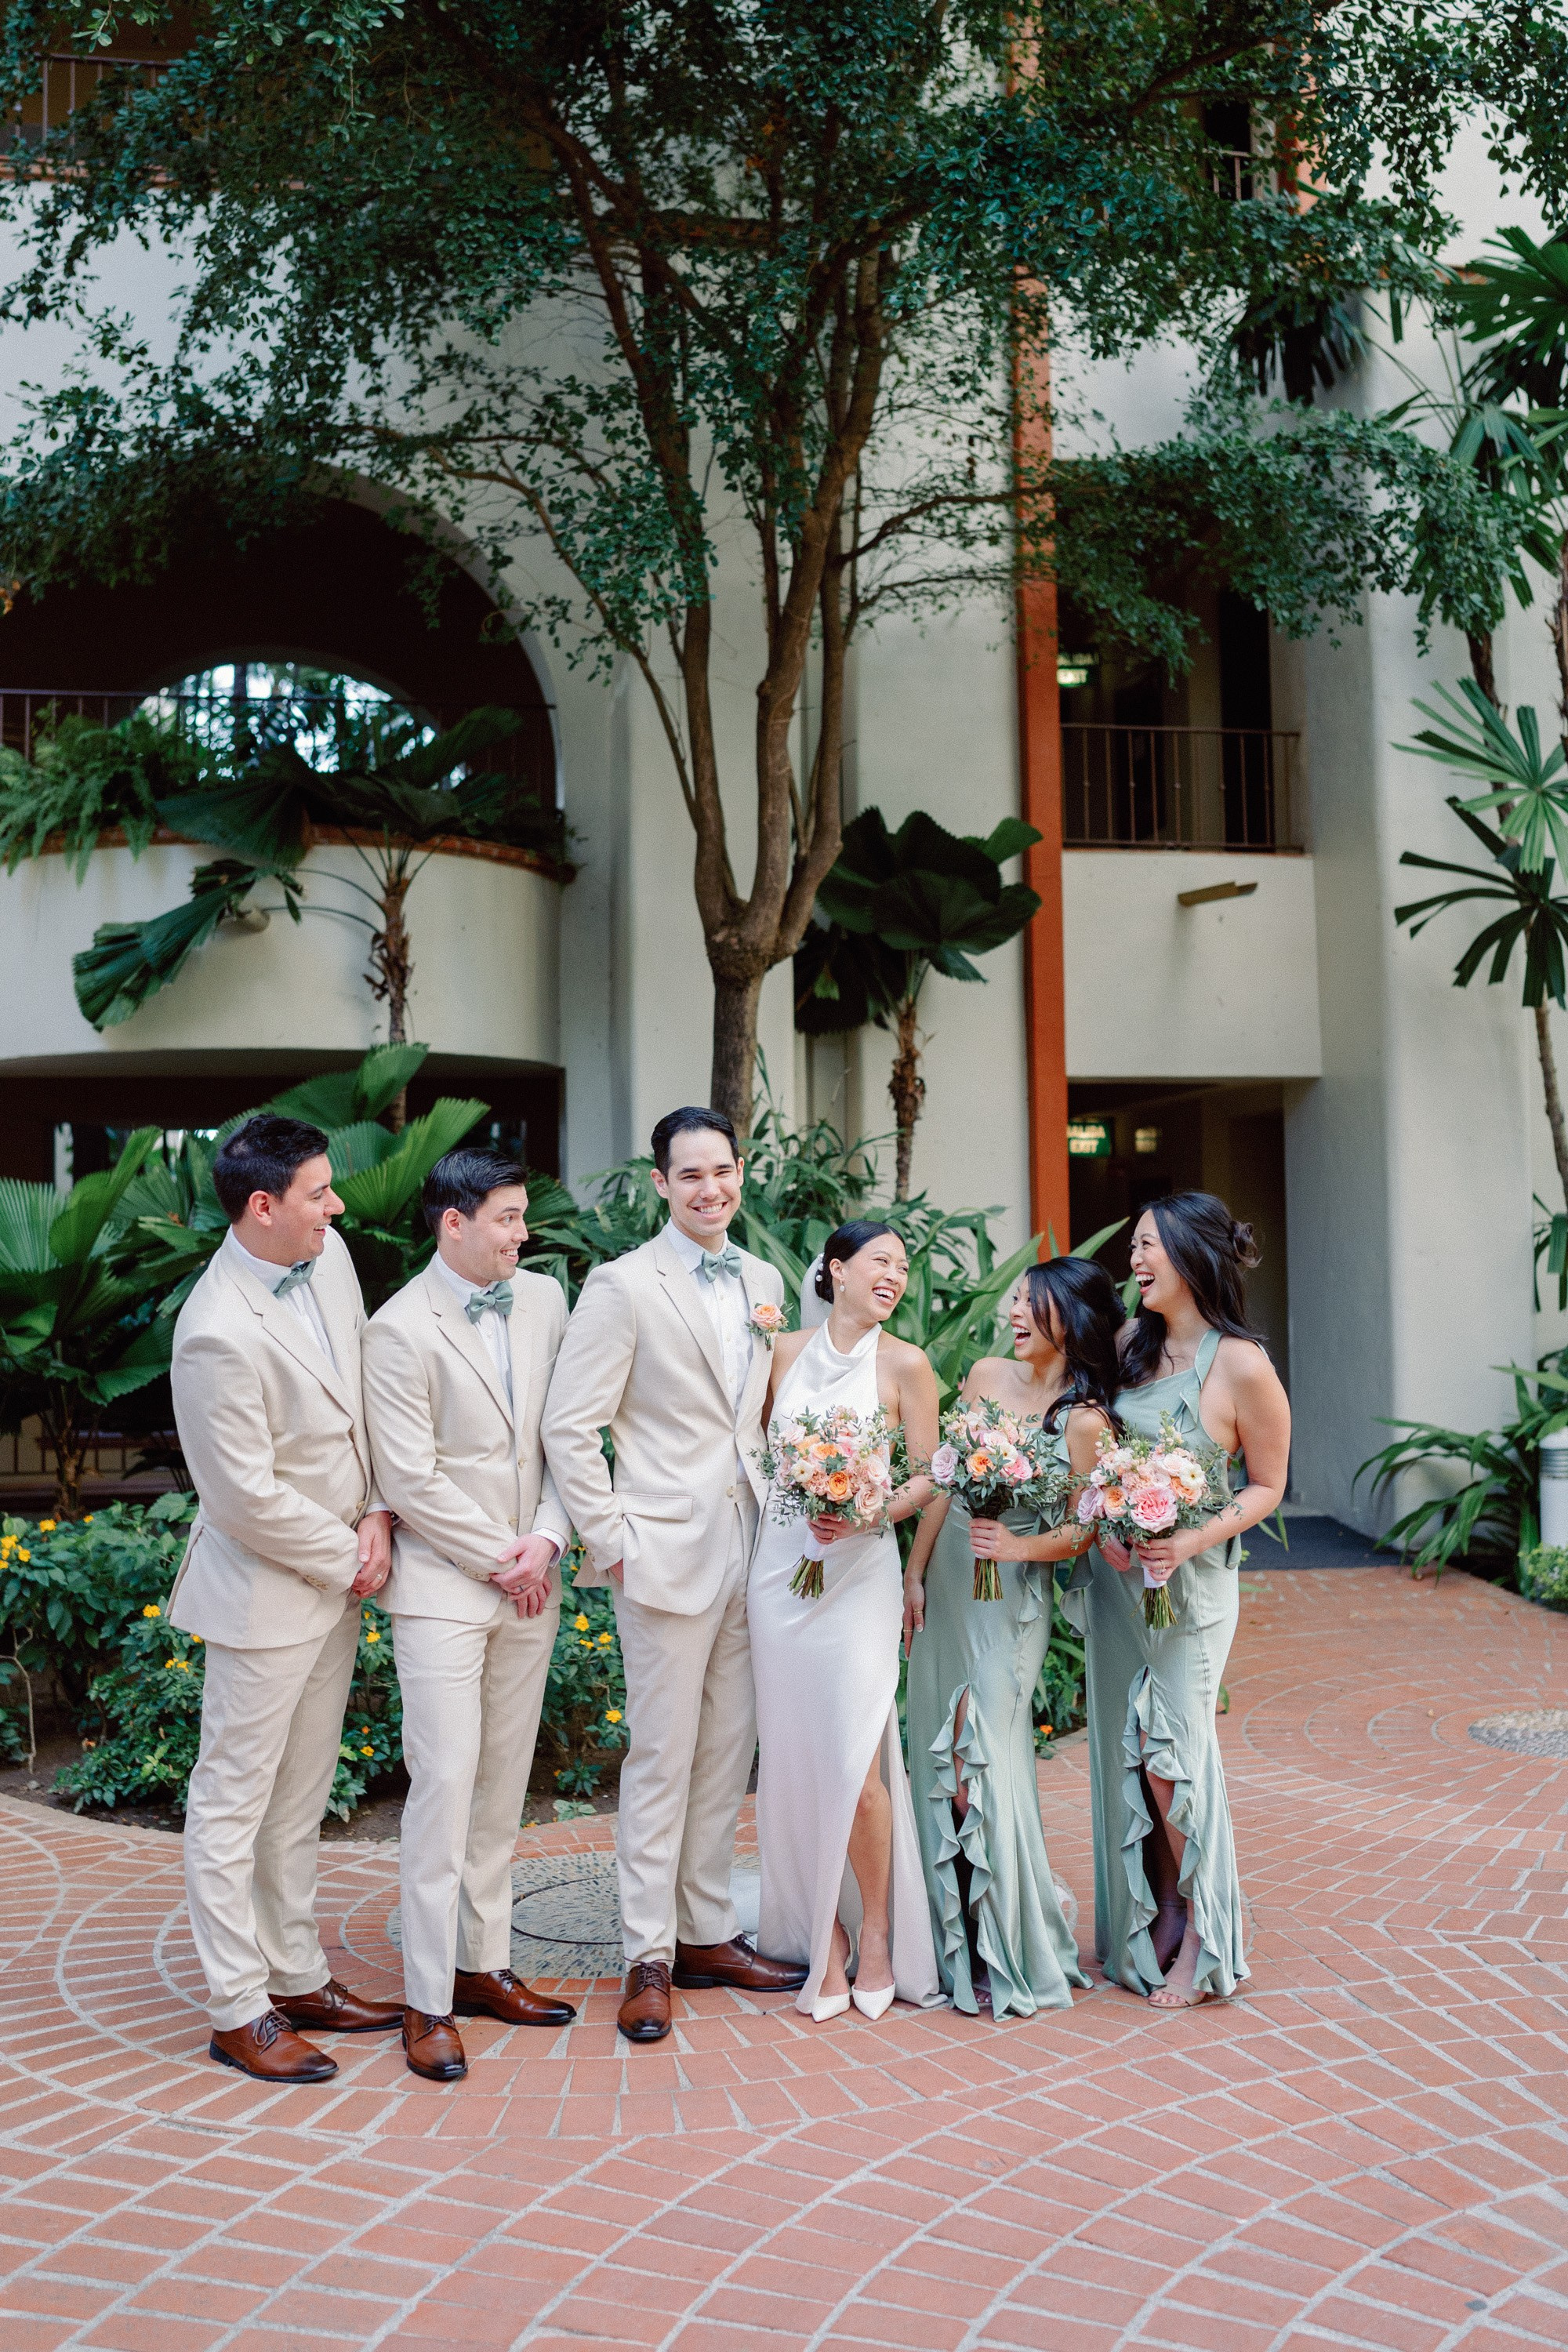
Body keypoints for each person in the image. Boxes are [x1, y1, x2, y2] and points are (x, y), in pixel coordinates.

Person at [540, 1107, 808, 2044]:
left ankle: (703, 1933)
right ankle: (645, 1955)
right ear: (660, 1183)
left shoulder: (765, 1278)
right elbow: (570, 1425)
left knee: (725, 1752)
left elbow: (761, 1417)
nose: (709, 1190)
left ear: (741, 1173)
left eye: (722, 1172)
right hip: (660, 1551)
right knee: (660, 1756)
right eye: (689, 1175)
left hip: (752, 1545)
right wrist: (611, 1541)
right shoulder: (621, 1286)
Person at [168, 1115, 403, 2082]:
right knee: (232, 1803)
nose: (337, 1205)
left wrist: (381, 1511)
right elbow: (240, 1495)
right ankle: (236, 2006)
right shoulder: (213, 1330)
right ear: (262, 1206)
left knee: (300, 1798)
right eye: (318, 1191)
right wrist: (346, 1554)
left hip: (343, 1570)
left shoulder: (331, 1254)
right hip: (267, 1593)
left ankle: (296, 1972)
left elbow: (363, 1392)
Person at [361, 1148, 578, 2084]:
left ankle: (483, 1965)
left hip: (533, 1574)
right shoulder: (395, 1329)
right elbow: (409, 1478)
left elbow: (569, 1431)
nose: (522, 1235)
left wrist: (549, 1540)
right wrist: (502, 1560)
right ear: (453, 1223)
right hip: (449, 1590)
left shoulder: (544, 1302)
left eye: (522, 1216)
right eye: (506, 1219)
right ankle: (425, 1999)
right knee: (444, 1787)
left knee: (501, 1785)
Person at [1071, 1192, 1290, 2010]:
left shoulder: (1240, 1365)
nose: (1132, 1260)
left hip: (1191, 1588)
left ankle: (1204, 1930)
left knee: (1172, 1756)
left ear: (1192, 1257)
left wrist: (1190, 1539)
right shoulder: (1130, 1344)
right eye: (1131, 1245)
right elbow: (1096, 1456)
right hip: (1120, 1583)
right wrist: (1108, 1523)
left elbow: (1266, 1484)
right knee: (1131, 1749)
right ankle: (1156, 1906)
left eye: (1147, 1246)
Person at [903, 1257, 1122, 2017]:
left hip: (1012, 1603)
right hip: (951, 1588)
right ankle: (946, 1939)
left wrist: (1018, 1549)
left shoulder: (1085, 1420)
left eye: (1033, 1303)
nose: (1016, 1312)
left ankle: (1003, 1942)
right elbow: (943, 1482)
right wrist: (915, 1573)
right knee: (934, 1749)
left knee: (978, 1760)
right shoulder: (986, 1376)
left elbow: (1086, 1528)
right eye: (1017, 1300)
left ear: (1071, 1314)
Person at [750, 1221, 944, 2020]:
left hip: (860, 1578)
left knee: (857, 1767)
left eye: (902, 1266)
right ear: (834, 1269)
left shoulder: (907, 1364)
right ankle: (820, 1934)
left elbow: (933, 1472)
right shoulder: (781, 1353)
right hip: (779, 1577)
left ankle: (877, 1933)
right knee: (792, 1761)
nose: (892, 1275)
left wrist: (871, 1512)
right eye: (878, 1262)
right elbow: (749, 1455)